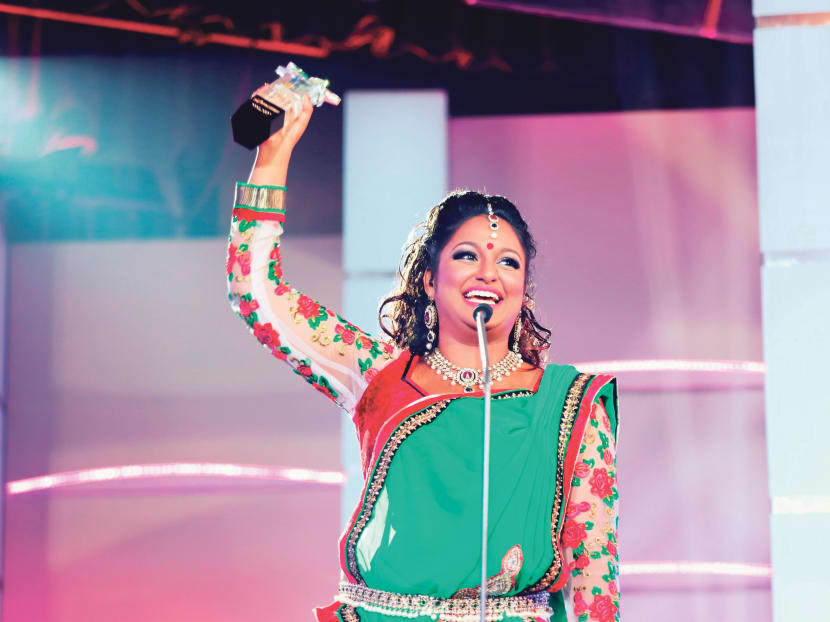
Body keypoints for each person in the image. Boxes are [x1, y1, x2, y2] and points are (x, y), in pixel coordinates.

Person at [226, 95, 620, 622]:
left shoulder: (568, 403)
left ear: (523, 291)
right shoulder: (378, 374)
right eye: (466, 255)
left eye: (508, 262)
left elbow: (595, 565)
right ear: (430, 280)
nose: (488, 273)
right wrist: (271, 159)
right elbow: (258, 296)